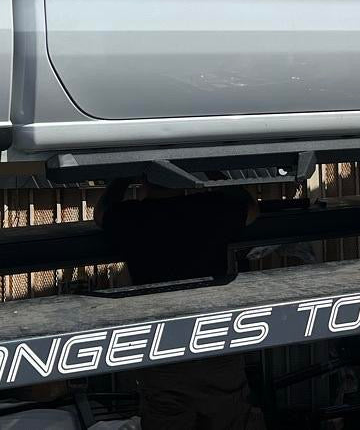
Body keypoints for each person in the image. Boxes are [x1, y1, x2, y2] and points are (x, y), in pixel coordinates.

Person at [95, 179, 264, 430]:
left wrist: (120, 179)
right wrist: (219, 175)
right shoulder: (212, 208)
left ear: (143, 183)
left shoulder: (130, 217)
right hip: (213, 342)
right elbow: (252, 209)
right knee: (230, 417)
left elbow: (100, 213)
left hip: (163, 349)